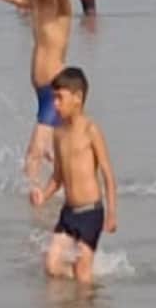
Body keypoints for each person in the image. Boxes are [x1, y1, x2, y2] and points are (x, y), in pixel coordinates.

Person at [27, 68, 117, 286]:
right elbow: (58, 177)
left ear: (77, 98)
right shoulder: (58, 134)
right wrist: (44, 196)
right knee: (51, 265)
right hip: (68, 213)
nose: (55, 104)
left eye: (60, 98)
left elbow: (107, 174)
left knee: (83, 274)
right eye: (53, 98)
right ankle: (78, 285)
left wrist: (112, 213)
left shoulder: (90, 130)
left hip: (91, 213)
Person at [0, 0, 73, 190]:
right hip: (42, 93)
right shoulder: (34, 3)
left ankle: (35, 206)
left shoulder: (60, 6)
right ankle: (69, 189)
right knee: (52, 153)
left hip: (55, 90)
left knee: (33, 156)